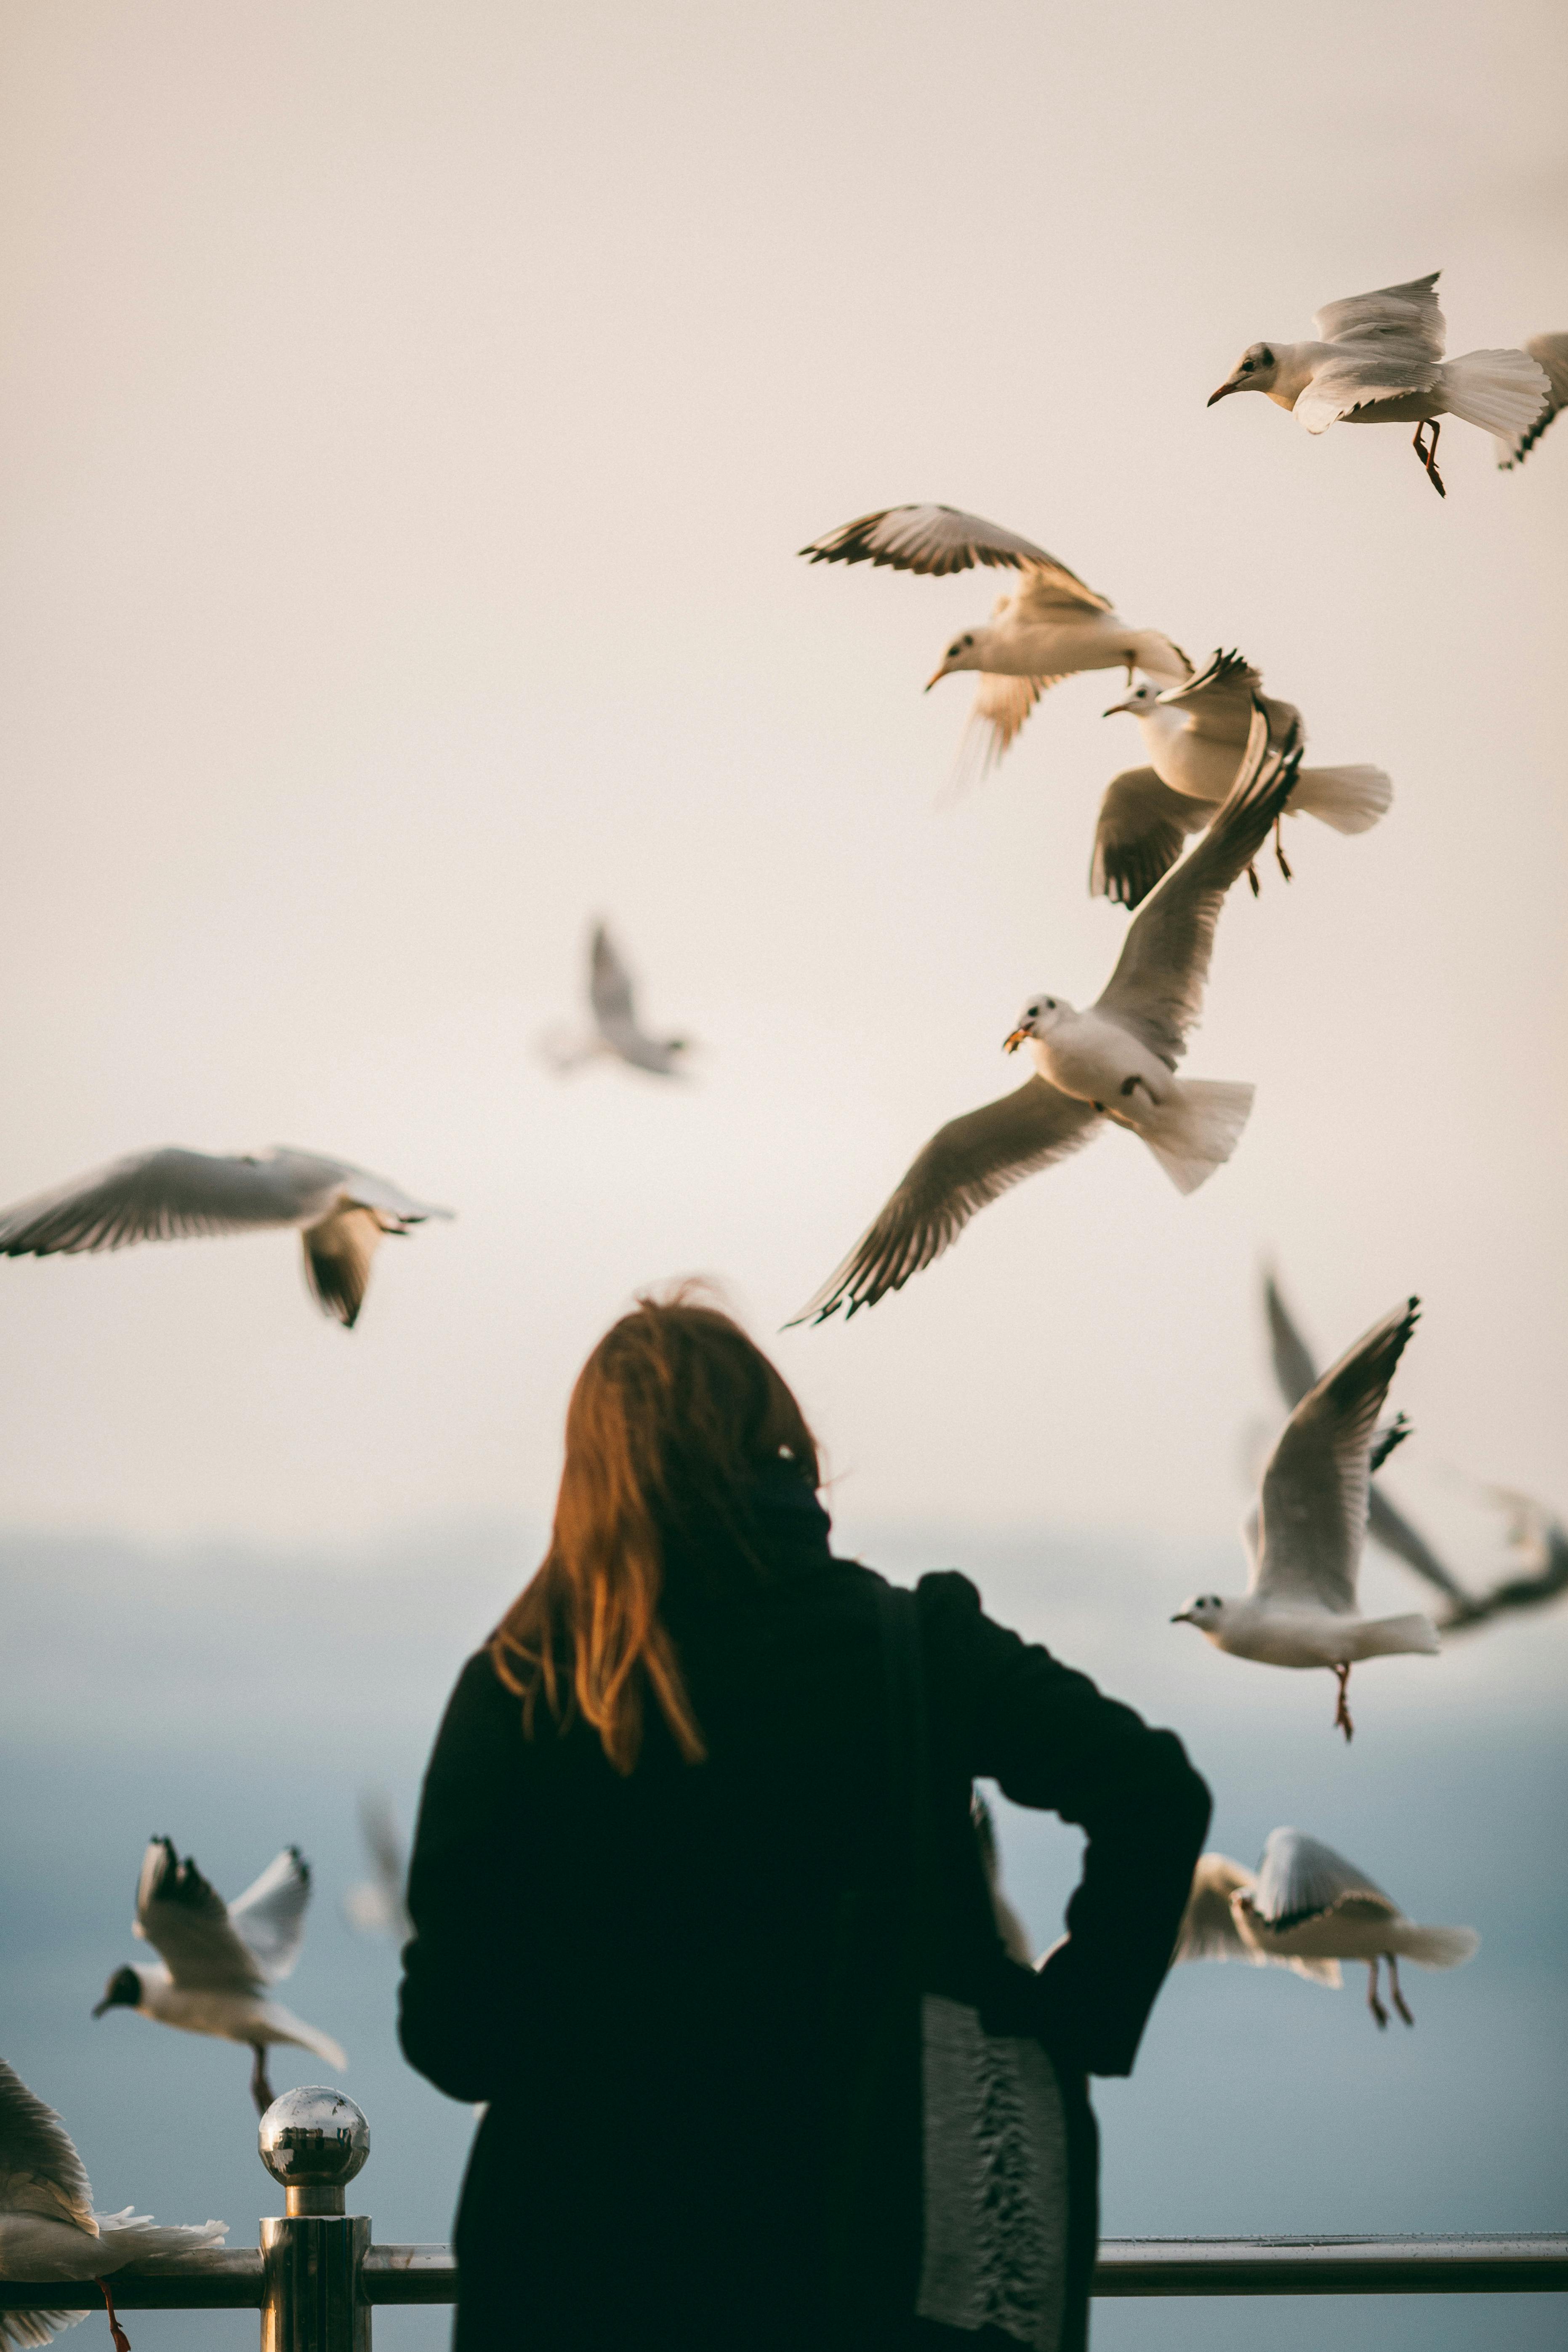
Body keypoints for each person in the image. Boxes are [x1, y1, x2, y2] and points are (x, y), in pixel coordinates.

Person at [399, 1292, 1210, 2352]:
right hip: (866, 2261)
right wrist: (1064, 2023)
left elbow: (455, 2039)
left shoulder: (527, 1686)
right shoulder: (913, 1648)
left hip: (578, 2274)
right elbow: (1152, 1791)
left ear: (593, 1472)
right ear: (785, 1447)